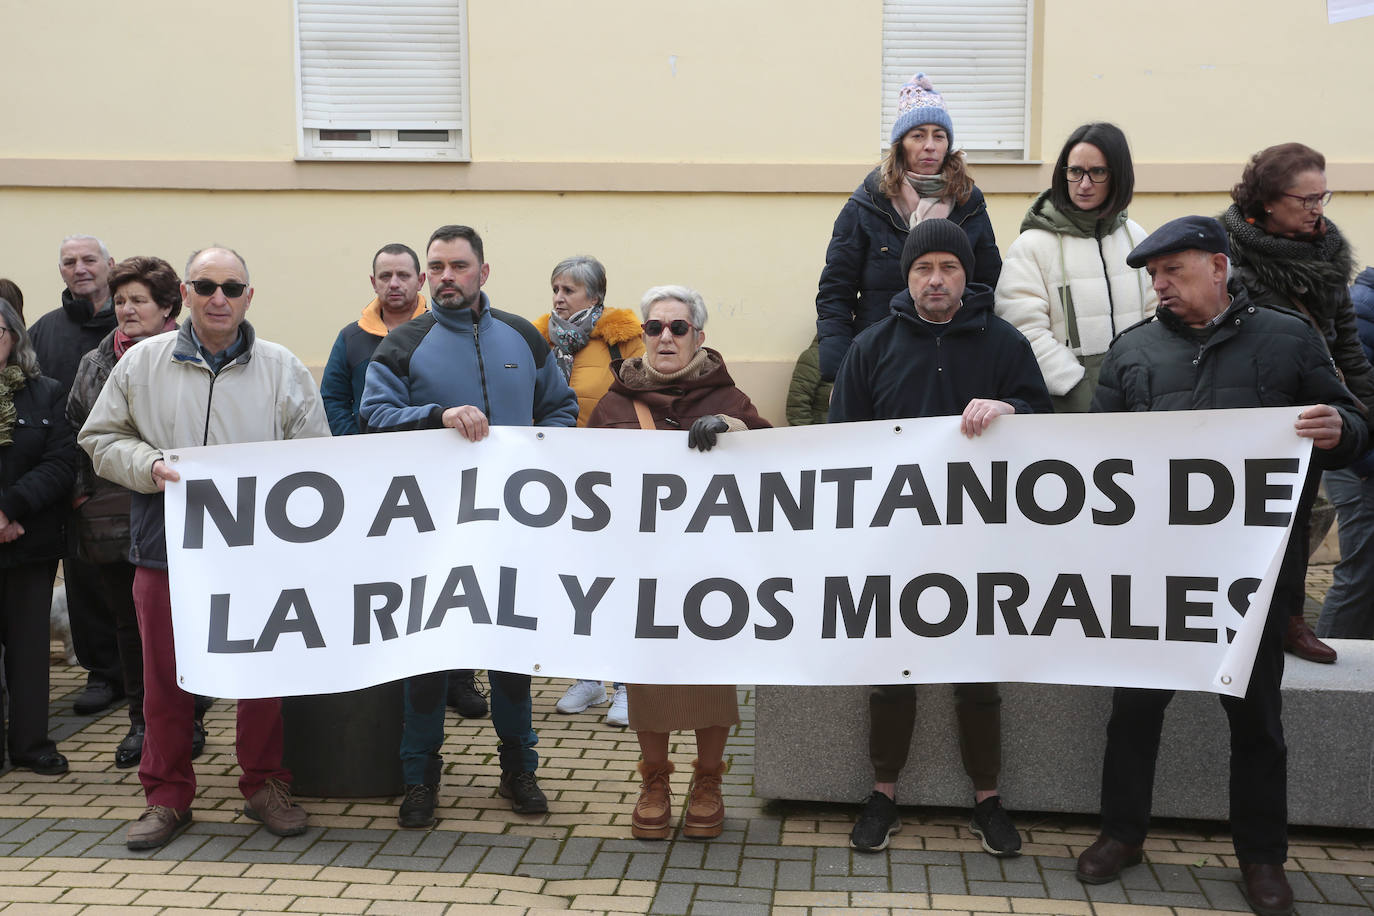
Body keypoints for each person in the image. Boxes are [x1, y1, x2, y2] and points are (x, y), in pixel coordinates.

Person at [1079, 216, 1368, 916]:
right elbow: (1089, 456)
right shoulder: (1132, 352)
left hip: (1256, 577)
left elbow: (1353, 425)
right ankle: (1122, 833)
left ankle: (1262, 860)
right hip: (1152, 575)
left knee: (1257, 721)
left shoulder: (1290, 338)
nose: (1159, 286)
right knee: (1134, 711)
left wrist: (1340, 429)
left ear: (1217, 267)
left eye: (1171, 272)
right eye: (1151, 276)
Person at [80, 246, 329, 850]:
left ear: (249, 295)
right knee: (164, 678)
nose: (220, 297)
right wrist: (150, 464)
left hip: (258, 554)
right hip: (166, 549)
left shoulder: (282, 367)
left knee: (261, 672)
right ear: (186, 294)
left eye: (232, 286)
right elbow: (100, 437)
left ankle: (265, 782)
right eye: (206, 285)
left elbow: (315, 451)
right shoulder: (142, 363)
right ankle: (166, 796)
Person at [829, 219, 1050, 858]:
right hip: (896, 541)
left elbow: (1046, 423)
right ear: (908, 277)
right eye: (924, 268)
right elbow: (843, 441)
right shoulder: (872, 346)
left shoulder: (1005, 343)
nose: (935, 279)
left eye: (948, 268)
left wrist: (1013, 412)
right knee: (893, 671)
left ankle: (987, 799)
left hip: (983, 540)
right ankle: (883, 794)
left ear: (965, 275)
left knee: (978, 672)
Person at [360, 224, 578, 828]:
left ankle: (519, 771)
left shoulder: (524, 338)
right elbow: (372, 415)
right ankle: (419, 780)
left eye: (458, 266)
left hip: (511, 528)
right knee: (429, 657)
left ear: (484, 272)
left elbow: (560, 408)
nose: (445, 277)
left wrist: (533, 452)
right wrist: (437, 415)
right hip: (428, 532)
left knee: (510, 653)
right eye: (437, 267)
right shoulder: (405, 341)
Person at [587, 284, 769, 839]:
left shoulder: (729, 400)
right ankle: (655, 780)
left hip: (712, 571)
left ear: (700, 338)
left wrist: (735, 435)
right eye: (654, 327)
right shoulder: (615, 404)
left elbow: (774, 464)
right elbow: (585, 479)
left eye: (678, 327)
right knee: (650, 680)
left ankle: (709, 779)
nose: (665, 336)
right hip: (644, 570)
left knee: (712, 679)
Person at [317, 243, 488, 720]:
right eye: (385, 275)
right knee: (396, 581)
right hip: (373, 483)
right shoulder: (351, 339)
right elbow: (334, 397)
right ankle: (397, 671)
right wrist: (358, 446)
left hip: (443, 483)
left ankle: (460, 678)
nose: (394, 283)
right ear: (373, 283)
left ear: (420, 282)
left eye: (403, 275)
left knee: (454, 579)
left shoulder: (452, 334)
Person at [1221, 143, 1374, 665]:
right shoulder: (1229, 256)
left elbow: (1348, 348)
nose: (1317, 209)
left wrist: (1362, 416)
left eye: (1322, 196)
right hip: (1249, 414)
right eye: (1304, 199)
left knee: (1299, 520)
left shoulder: (1329, 254)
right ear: (1266, 201)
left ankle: (1288, 619)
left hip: (1310, 413)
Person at [67, 256, 190, 769]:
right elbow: (76, 428)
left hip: (183, 503)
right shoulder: (97, 362)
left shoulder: (188, 355)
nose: (126, 309)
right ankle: (142, 722)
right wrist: (81, 493)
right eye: (120, 300)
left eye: (139, 299)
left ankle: (192, 716)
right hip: (113, 507)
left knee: (182, 620)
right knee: (129, 621)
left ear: (167, 307)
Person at [815, 71, 1000, 383]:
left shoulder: (970, 204)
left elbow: (990, 284)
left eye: (938, 136)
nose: (929, 146)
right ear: (900, 145)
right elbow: (836, 292)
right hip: (881, 360)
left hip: (954, 356)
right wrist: (841, 370)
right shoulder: (866, 205)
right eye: (918, 135)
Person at [538, 255, 644, 728]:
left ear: (595, 296)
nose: (559, 298)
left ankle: (627, 685)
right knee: (575, 580)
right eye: (555, 288)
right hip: (560, 478)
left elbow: (646, 397)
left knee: (616, 579)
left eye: (569, 290)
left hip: (614, 477)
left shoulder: (624, 341)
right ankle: (589, 678)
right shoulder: (538, 339)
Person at [995, 122, 1156, 411]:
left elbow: (1157, 314)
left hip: (1140, 400)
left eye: (1097, 172)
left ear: (1117, 175)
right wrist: (1076, 388)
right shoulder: (1032, 245)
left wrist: (1147, 379)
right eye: (1075, 171)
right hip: (1068, 409)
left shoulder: (1136, 237)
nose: (1083, 184)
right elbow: (1023, 330)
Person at [32, 235, 123, 716]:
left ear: (110, 264)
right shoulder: (45, 330)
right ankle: (103, 673)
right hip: (73, 483)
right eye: (69, 262)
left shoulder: (138, 322)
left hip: (135, 477)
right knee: (86, 582)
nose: (80, 268)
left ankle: (160, 678)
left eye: (90, 260)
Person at [0, 297, 77, 776]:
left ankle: (31, 747)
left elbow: (60, 462)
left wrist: (9, 508)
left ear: (13, 336)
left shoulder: (45, 391)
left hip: (29, 540)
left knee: (29, 652)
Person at [1316, 265, 1374, 640]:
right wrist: (1365, 464)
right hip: (1359, 464)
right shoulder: (1363, 308)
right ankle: (1329, 677)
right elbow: (1347, 395)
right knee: (1359, 576)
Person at [784, 336, 832, 426]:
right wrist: (808, 437)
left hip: (853, 433)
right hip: (821, 433)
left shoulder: (858, 355)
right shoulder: (815, 356)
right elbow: (797, 407)